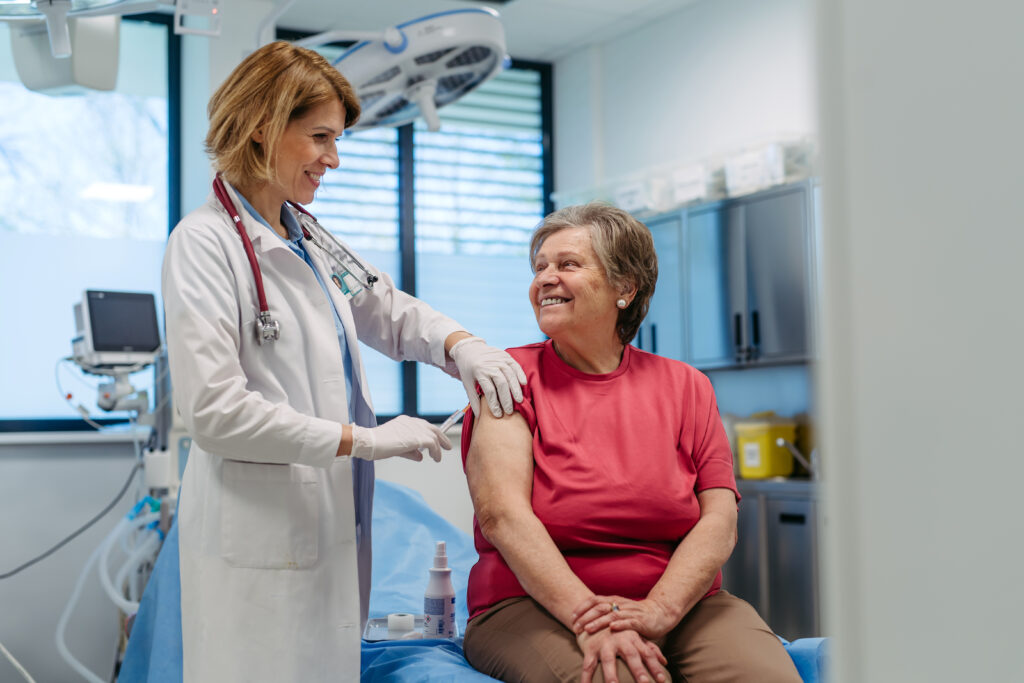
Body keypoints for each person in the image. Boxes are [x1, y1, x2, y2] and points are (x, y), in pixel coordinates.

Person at [161, 41, 526, 682]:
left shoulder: (304, 233)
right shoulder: (204, 244)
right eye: (320, 137)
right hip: (260, 544)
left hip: (325, 526)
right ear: (261, 127)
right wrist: (362, 441)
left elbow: (383, 307)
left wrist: (458, 345)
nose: (334, 158)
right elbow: (214, 414)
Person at [460, 202, 802, 683]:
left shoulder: (687, 386)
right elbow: (502, 516)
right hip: (533, 605)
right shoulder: (507, 377)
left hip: (681, 604)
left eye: (568, 264)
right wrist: (589, 618)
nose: (545, 279)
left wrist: (660, 610)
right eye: (540, 268)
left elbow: (719, 519)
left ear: (625, 288)